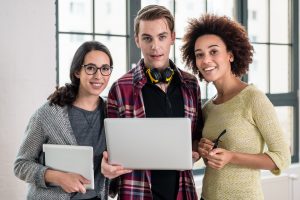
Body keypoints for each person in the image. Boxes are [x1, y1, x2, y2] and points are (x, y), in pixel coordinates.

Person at [181, 14, 291, 200]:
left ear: (230, 55)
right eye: (200, 54)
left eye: (213, 51)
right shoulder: (208, 108)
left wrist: (232, 156)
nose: (206, 60)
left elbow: (282, 158)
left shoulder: (253, 98)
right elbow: (210, 160)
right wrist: (204, 149)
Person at [101, 4, 203, 200]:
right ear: (137, 40)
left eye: (162, 37)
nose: (155, 46)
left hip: (183, 192)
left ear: (173, 37)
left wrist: (196, 150)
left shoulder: (190, 84)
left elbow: (197, 135)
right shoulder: (120, 89)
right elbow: (108, 148)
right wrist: (106, 166)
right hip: (136, 192)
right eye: (147, 38)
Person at [14, 41, 114, 200]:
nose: (98, 76)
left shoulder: (113, 113)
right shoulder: (48, 114)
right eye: (90, 68)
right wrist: (58, 177)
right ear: (77, 72)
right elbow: (21, 165)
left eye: (105, 69)